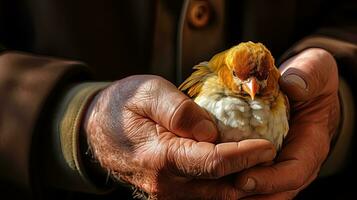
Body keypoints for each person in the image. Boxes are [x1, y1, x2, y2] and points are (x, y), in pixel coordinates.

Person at [0, 0, 356, 199]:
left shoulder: (282, 98)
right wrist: (74, 118)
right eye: (242, 79)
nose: (250, 88)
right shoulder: (209, 88)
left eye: (260, 80)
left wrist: (340, 101)